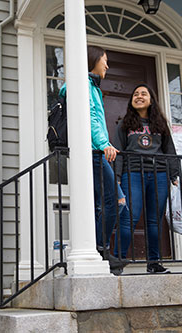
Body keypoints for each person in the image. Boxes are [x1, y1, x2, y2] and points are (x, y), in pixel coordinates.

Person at [59, 46, 126, 272]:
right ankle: (100, 249)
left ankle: (101, 251)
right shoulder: (84, 85)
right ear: (93, 61)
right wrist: (104, 144)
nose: (107, 66)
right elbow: (90, 118)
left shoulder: (91, 86)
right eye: (104, 61)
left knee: (101, 206)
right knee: (118, 202)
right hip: (93, 152)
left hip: (92, 151)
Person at [113, 84, 178, 274]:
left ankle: (154, 263)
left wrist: (173, 174)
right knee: (129, 218)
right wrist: (117, 176)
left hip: (159, 175)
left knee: (154, 221)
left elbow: (170, 151)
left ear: (151, 100)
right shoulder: (124, 124)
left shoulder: (160, 125)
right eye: (135, 94)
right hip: (132, 173)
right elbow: (118, 152)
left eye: (143, 94)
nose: (139, 96)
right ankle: (117, 262)